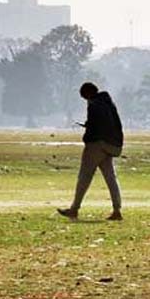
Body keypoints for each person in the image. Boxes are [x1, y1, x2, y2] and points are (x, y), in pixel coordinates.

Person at [58, 82, 124, 221]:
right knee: (111, 178)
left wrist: (87, 135)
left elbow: (94, 127)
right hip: (110, 145)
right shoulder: (107, 103)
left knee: (84, 177)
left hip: (96, 145)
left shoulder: (94, 105)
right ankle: (117, 210)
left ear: (88, 94)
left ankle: (74, 209)